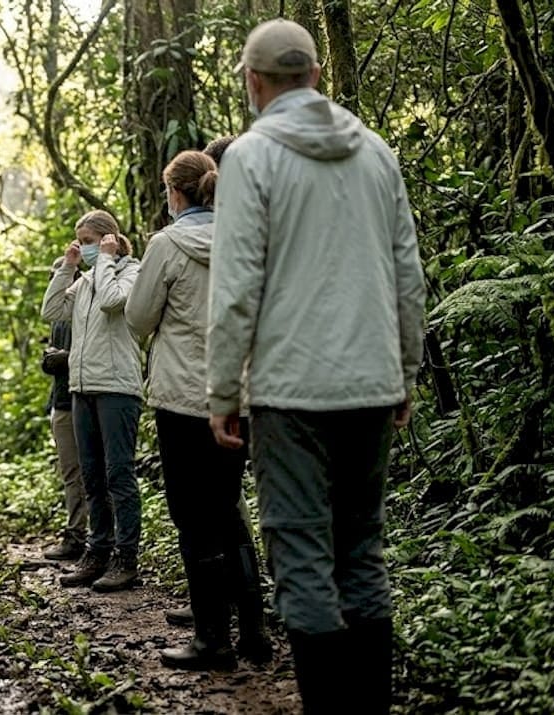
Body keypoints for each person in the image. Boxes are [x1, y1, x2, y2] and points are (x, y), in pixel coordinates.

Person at [208, 19, 425, 713]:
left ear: (253, 81)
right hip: (370, 382)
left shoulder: (250, 156)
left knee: (301, 552)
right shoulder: (377, 153)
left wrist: (221, 391)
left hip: (290, 392)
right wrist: (405, 370)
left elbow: (237, 284)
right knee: (362, 549)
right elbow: (407, 275)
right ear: (317, 75)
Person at [125, 150, 272, 670]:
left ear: (175, 193)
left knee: (192, 516)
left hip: (184, 399)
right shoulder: (247, 237)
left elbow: (139, 318)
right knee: (229, 508)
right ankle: (253, 631)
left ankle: (212, 639)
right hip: (242, 397)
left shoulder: (166, 244)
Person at [41, 210, 144, 592]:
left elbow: (112, 301)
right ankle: (96, 552)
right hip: (81, 389)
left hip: (117, 387)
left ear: (108, 240)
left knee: (119, 475)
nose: (79, 246)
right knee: (92, 477)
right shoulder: (83, 281)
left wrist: (104, 260)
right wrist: (67, 268)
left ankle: (126, 557)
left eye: (86, 240)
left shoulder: (131, 271)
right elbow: (51, 312)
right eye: (78, 241)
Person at [41, 260, 88, 560]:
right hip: (60, 400)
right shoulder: (57, 318)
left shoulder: (85, 310)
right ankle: (75, 535)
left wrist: (65, 358)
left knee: (92, 474)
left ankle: (92, 537)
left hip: (84, 397)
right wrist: (51, 359)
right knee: (71, 473)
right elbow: (50, 358)